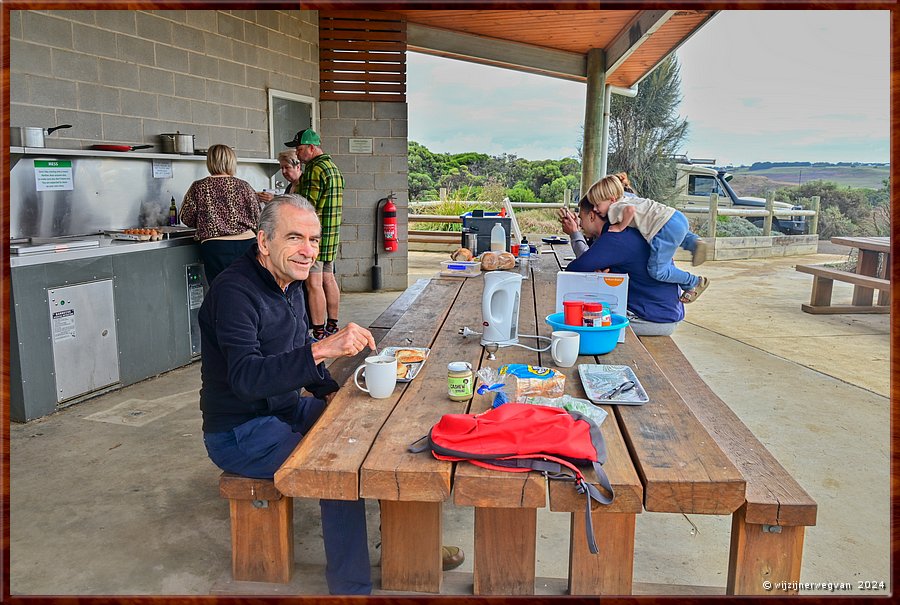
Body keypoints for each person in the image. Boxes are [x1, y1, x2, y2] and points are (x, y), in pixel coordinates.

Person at [199, 195, 463, 592]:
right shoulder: (234, 292)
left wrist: (331, 393)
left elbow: (293, 348)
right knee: (338, 470)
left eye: (314, 239)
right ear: (263, 241)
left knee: (379, 432)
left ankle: (410, 545)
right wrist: (323, 348)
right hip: (240, 431)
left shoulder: (289, 281)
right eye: (294, 238)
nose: (308, 251)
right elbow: (246, 378)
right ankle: (351, 588)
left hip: (285, 408)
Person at [558, 196, 684, 336]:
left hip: (650, 319)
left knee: (577, 317)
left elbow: (573, 270)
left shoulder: (615, 238)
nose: (580, 225)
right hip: (663, 313)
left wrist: (575, 234)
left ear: (592, 215)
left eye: (581, 218)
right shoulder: (623, 232)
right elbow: (589, 261)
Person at [584, 174, 710, 304]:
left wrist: (620, 227)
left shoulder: (614, 208)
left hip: (663, 228)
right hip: (676, 217)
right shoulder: (628, 197)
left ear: (611, 199)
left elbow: (630, 210)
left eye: (597, 205)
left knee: (657, 271)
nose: (594, 209)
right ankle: (695, 242)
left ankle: (693, 282)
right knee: (681, 237)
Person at [287, 128, 344, 339]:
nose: (297, 154)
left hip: (315, 237)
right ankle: (333, 326)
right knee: (329, 279)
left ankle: (318, 331)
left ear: (311, 148)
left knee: (314, 283)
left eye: (300, 149)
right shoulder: (333, 168)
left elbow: (307, 206)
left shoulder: (314, 169)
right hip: (332, 234)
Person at [180, 144, 260, 285]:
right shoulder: (244, 186)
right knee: (250, 289)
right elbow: (257, 215)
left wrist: (205, 221)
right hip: (247, 244)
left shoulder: (199, 187)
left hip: (215, 247)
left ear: (210, 162)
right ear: (231, 161)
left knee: (222, 290)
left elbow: (187, 217)